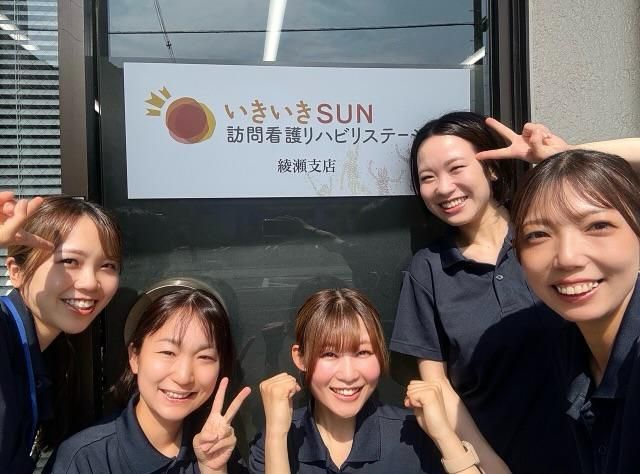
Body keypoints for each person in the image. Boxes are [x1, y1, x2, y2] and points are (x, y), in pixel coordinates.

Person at [389, 111, 572, 473]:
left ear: (492, 168)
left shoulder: (549, 234)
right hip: (496, 460)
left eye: (456, 168)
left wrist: (563, 158)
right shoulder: (429, 268)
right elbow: (437, 387)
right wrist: (492, 467)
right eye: (428, 177)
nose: (443, 188)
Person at [250, 288, 495, 474]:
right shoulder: (276, 440)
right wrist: (276, 437)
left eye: (363, 352)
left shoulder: (412, 435)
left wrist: (444, 435)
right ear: (300, 358)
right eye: (329, 354)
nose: (348, 375)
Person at [511, 149, 640, 474]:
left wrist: (565, 154)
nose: (567, 257)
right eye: (538, 234)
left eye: (598, 225)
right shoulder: (570, 350)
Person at [45, 288, 252, 473]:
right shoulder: (85, 460)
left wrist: (213, 470)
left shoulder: (217, 449)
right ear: (134, 357)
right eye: (168, 352)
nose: (183, 377)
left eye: (204, 357)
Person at [0, 192, 122, 473]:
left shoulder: (49, 356)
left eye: (107, 266)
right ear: (16, 271)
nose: (90, 283)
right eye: (69, 261)